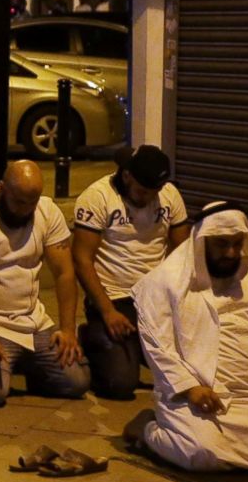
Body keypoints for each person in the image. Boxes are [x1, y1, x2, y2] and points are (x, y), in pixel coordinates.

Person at [125, 202, 248, 472]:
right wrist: (190, 387)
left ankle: (230, 451)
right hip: (199, 397)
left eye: (236, 243)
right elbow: (158, 347)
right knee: (200, 454)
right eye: (221, 244)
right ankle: (147, 430)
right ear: (201, 241)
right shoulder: (165, 282)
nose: (230, 253)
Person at [0, 160, 90, 407]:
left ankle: (27, 364)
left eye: (31, 203)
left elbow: (64, 273)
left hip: (31, 322)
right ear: (2, 189)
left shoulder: (47, 211)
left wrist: (68, 330)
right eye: (18, 202)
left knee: (76, 381)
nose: (25, 210)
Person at [72, 146, 190, 400]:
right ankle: (93, 337)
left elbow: (184, 251)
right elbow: (82, 259)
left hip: (155, 299)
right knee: (120, 384)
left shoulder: (169, 195)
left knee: (192, 371)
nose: (149, 198)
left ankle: (137, 346)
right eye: (142, 191)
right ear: (126, 176)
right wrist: (107, 311)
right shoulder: (97, 197)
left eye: (155, 192)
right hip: (115, 299)